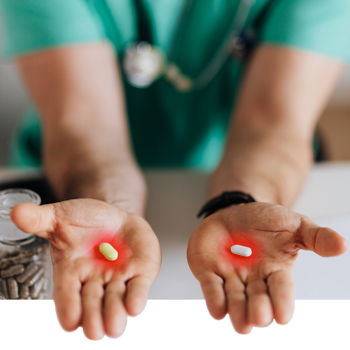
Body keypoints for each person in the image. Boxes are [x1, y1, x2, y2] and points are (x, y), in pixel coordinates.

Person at [1, 0, 350, 340]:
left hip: (244, 173)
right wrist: (111, 204)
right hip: (74, 183)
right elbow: (84, 124)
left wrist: (243, 200)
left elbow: (273, 122)